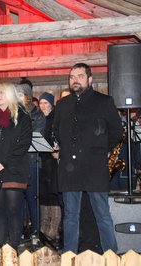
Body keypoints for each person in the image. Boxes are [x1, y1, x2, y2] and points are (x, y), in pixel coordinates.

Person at [53, 63, 122, 253]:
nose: (75, 80)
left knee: (102, 215)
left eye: (80, 76)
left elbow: (117, 131)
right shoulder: (63, 104)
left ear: (90, 79)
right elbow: (53, 129)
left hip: (94, 167)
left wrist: (100, 149)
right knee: (70, 216)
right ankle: (69, 256)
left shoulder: (104, 101)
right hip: (69, 167)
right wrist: (58, 147)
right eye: (72, 76)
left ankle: (111, 255)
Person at [0, 82, 32, 250]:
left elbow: (23, 144)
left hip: (14, 169)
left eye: (2, 92)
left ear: (10, 94)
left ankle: (14, 250)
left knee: (13, 211)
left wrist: (4, 163)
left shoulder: (23, 116)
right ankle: (1, 250)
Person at [16, 78, 45, 240]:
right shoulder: (14, 114)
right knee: (18, 200)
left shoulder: (37, 115)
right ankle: (18, 232)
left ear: (27, 96)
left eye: (20, 94)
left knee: (33, 198)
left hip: (33, 163)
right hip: (18, 164)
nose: (17, 97)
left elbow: (36, 136)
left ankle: (35, 232)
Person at [38, 92, 61, 243]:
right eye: (41, 103)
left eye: (46, 103)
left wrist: (59, 149)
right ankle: (44, 227)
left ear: (52, 104)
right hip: (42, 161)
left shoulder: (56, 118)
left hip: (54, 162)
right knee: (43, 194)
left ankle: (54, 229)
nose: (43, 106)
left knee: (54, 195)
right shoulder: (40, 119)